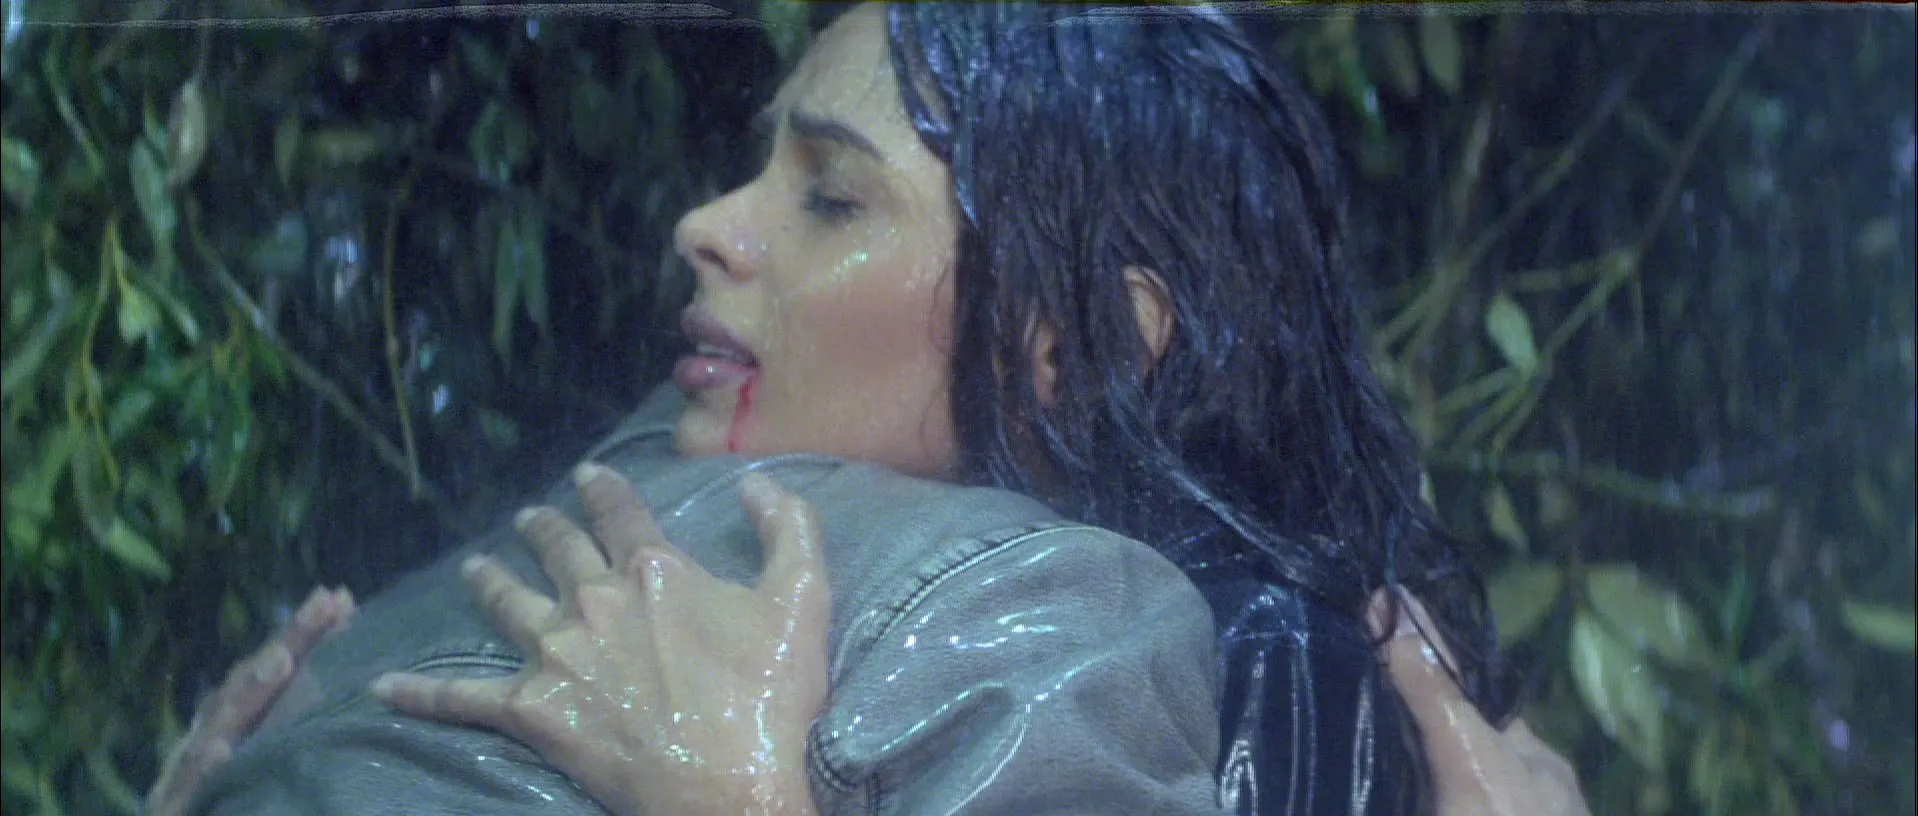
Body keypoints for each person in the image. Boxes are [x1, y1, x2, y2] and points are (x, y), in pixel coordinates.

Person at [150, 3, 1595, 815]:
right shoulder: (684, 476)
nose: (706, 223)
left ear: (1086, 342)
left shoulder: (1254, 657)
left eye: (831, 197)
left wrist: (731, 800)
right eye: (758, 167)